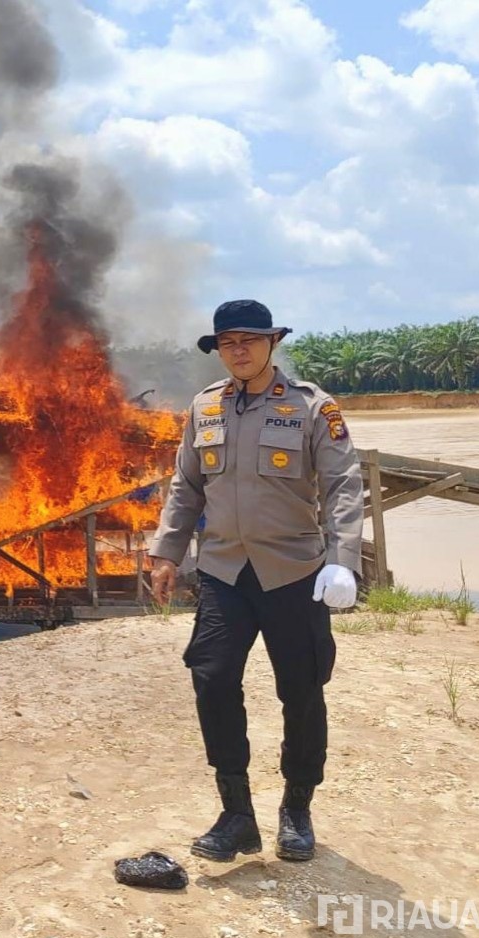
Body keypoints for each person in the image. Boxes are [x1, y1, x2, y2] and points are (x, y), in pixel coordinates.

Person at [149, 300, 363, 863]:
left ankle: (296, 808)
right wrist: (166, 553)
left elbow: (343, 483)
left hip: (293, 573)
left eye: (248, 339)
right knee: (212, 679)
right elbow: (185, 485)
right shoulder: (205, 407)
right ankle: (237, 814)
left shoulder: (312, 407)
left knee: (301, 689)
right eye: (227, 342)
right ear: (218, 349)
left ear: (272, 342)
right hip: (223, 571)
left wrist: (343, 558)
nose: (237, 350)